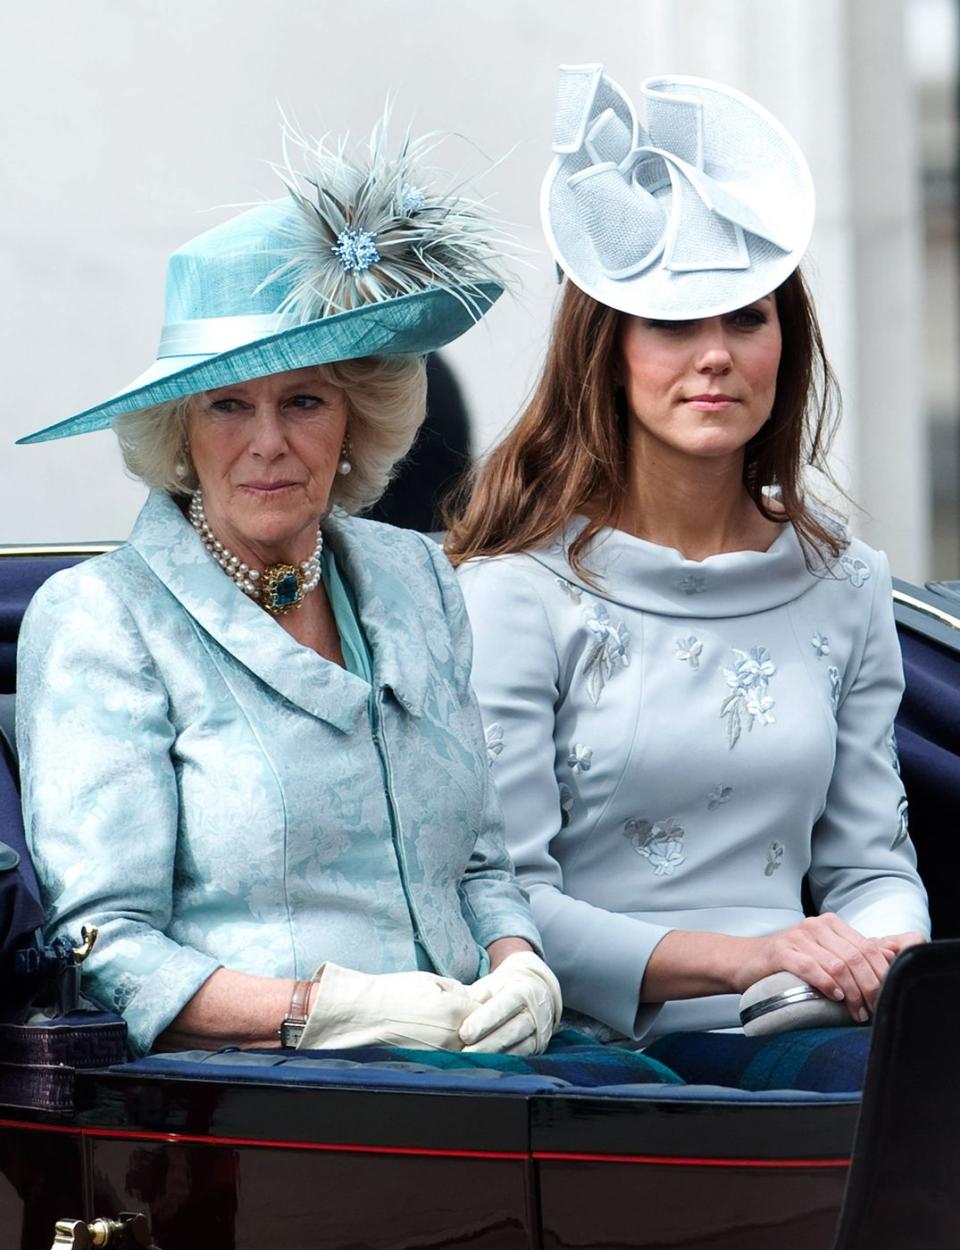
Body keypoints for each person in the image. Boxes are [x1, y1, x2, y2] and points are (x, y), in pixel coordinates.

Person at [14, 117, 560, 1059]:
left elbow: (480, 862)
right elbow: (102, 945)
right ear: (179, 430)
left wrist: (521, 964)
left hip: (490, 1064)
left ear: (355, 420)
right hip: (265, 1102)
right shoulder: (103, 619)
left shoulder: (417, 576)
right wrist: (322, 1010)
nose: (268, 440)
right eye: (229, 404)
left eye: (303, 399)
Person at [447, 67, 929, 1047]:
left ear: (784, 344)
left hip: (822, 1029)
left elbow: (872, 864)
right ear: (605, 351)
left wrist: (884, 969)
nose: (715, 353)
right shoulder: (513, 593)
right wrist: (750, 957)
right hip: (601, 1063)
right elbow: (501, 903)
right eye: (671, 321)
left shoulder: (850, 583)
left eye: (747, 315)